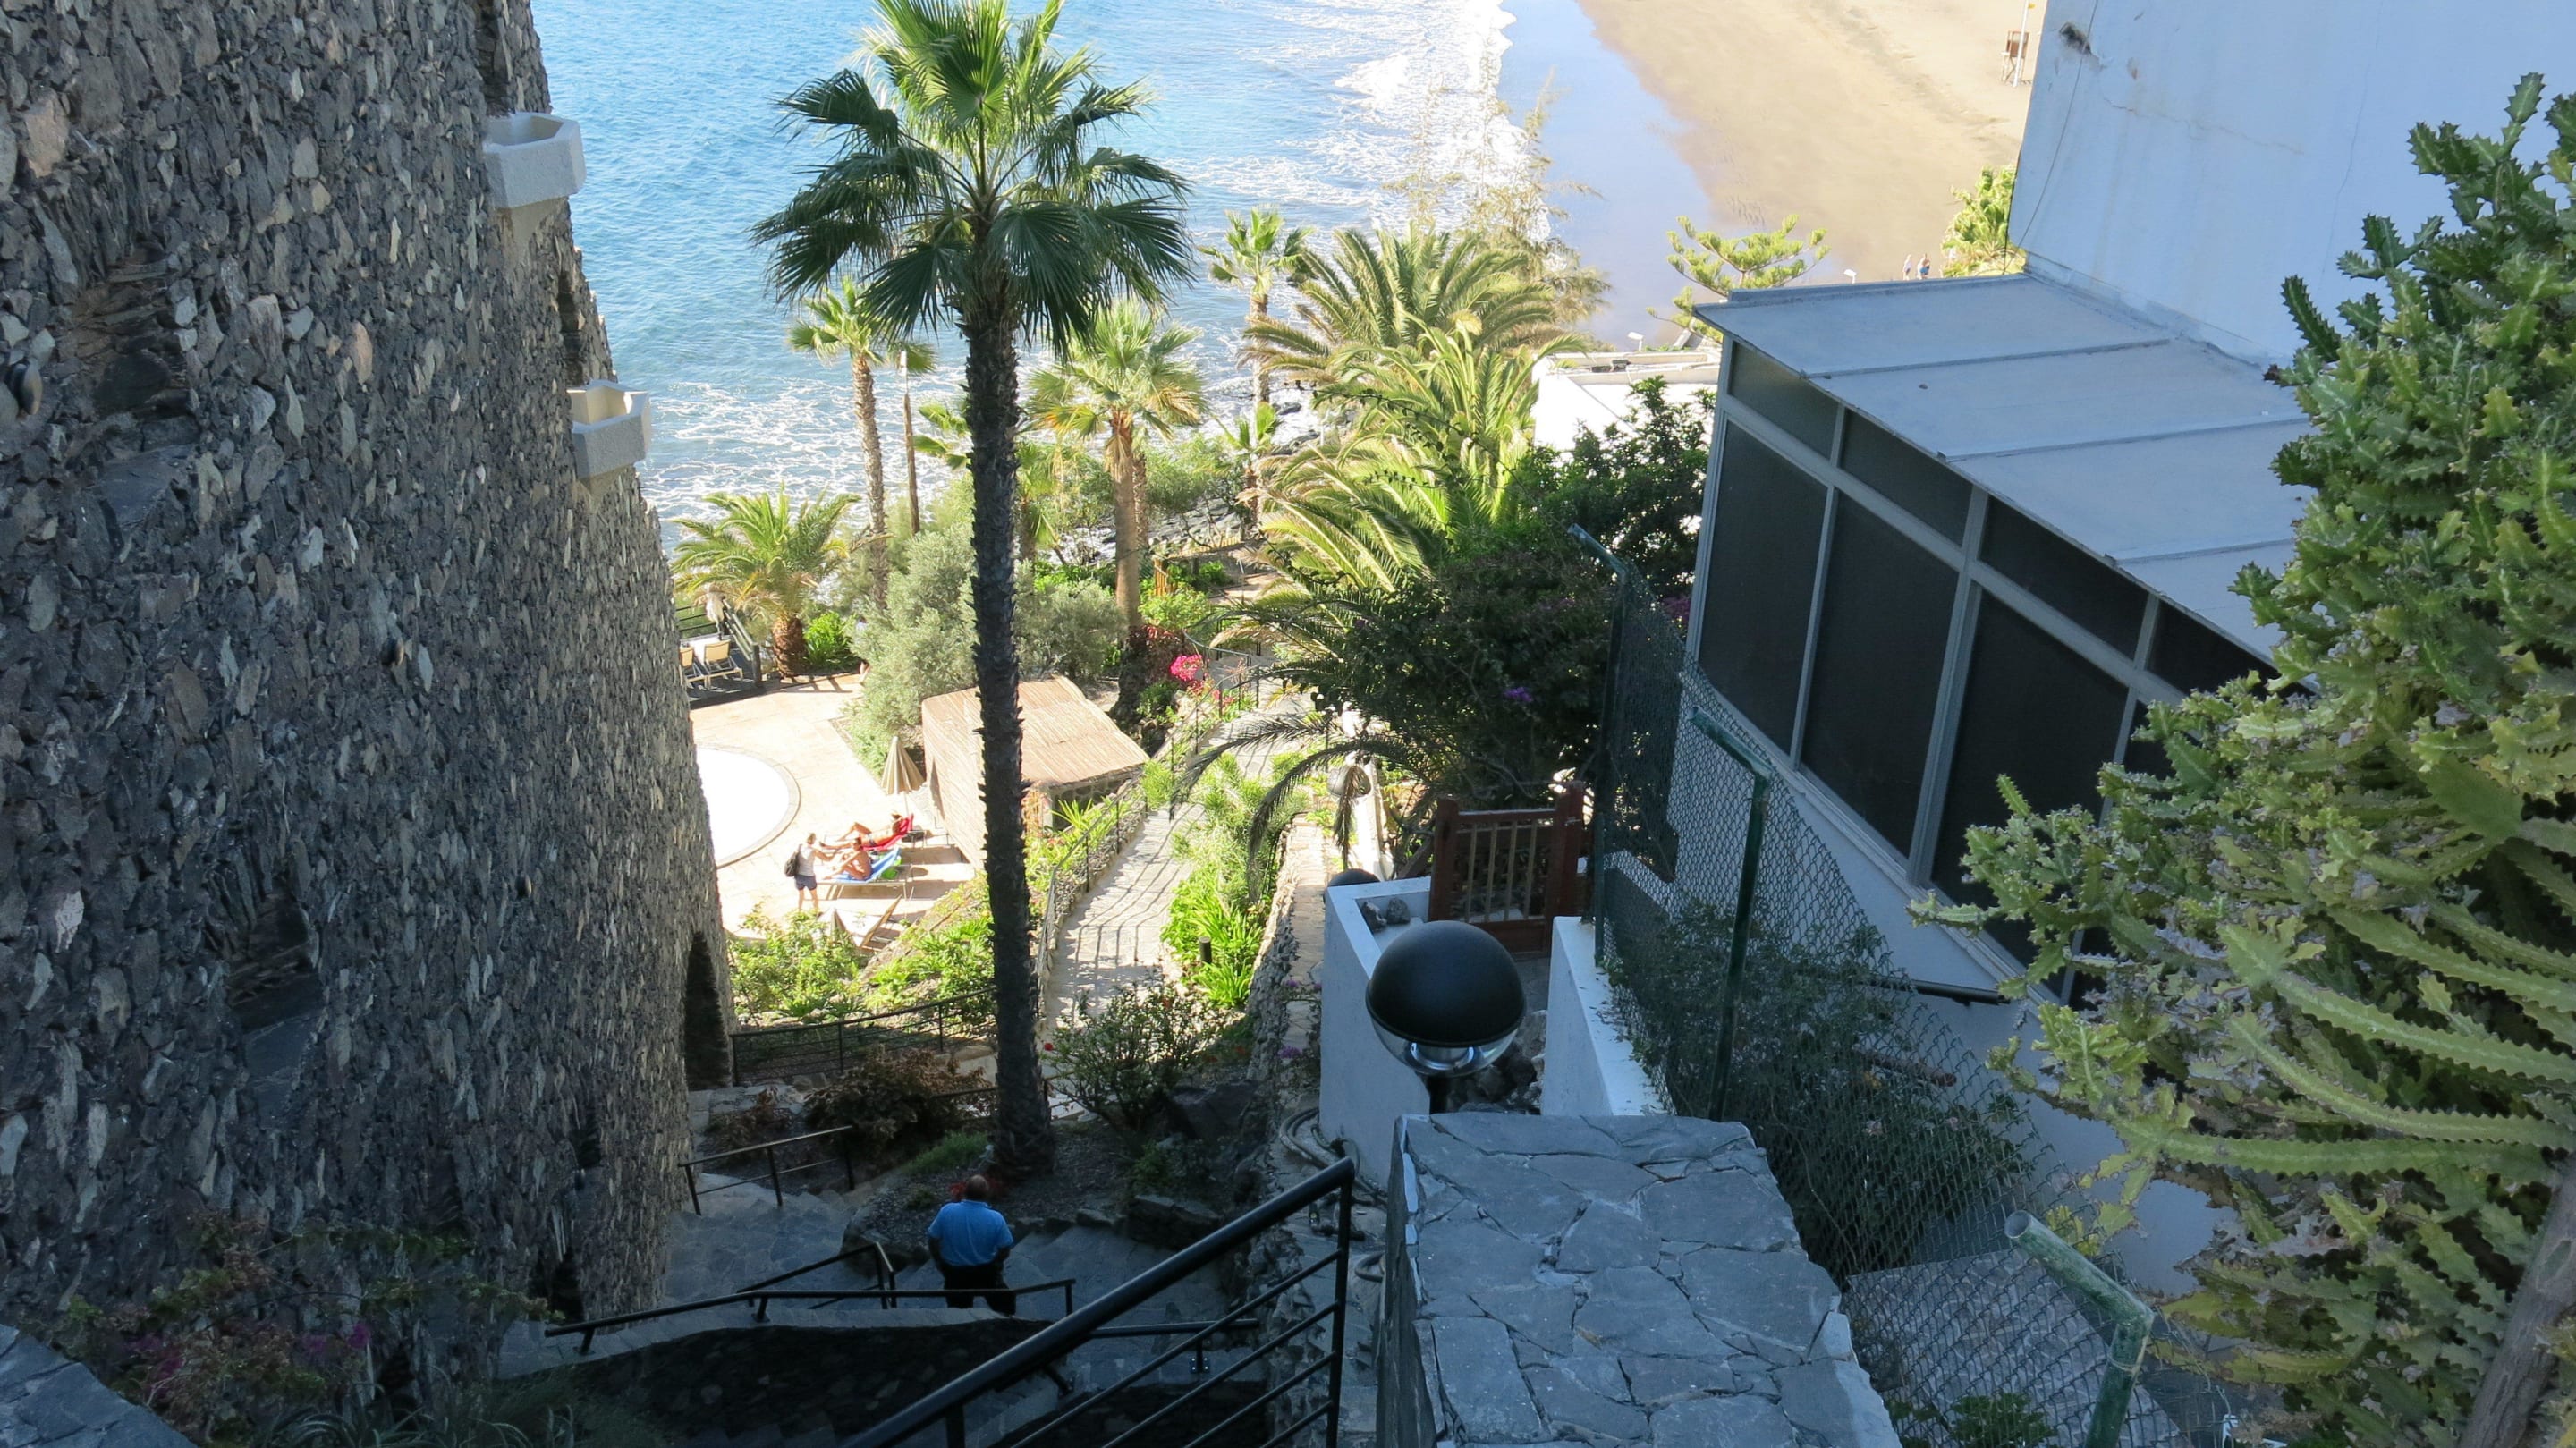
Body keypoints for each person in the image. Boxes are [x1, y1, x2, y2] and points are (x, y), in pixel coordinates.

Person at [926, 1175, 1016, 1315]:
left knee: (958, 1312)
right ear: (986, 1195)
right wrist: (996, 1263)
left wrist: (939, 1261)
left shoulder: (947, 1211)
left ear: (965, 1192)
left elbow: (933, 1239)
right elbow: (1005, 1248)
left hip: (955, 1272)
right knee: (1005, 1306)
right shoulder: (996, 1218)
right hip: (986, 1271)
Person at [786, 833, 821, 910]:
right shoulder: (813, 850)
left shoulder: (800, 846)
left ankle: (799, 910)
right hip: (809, 876)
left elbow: (792, 857)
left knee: (800, 895)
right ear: (813, 840)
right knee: (814, 896)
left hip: (798, 876)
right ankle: (815, 912)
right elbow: (827, 859)